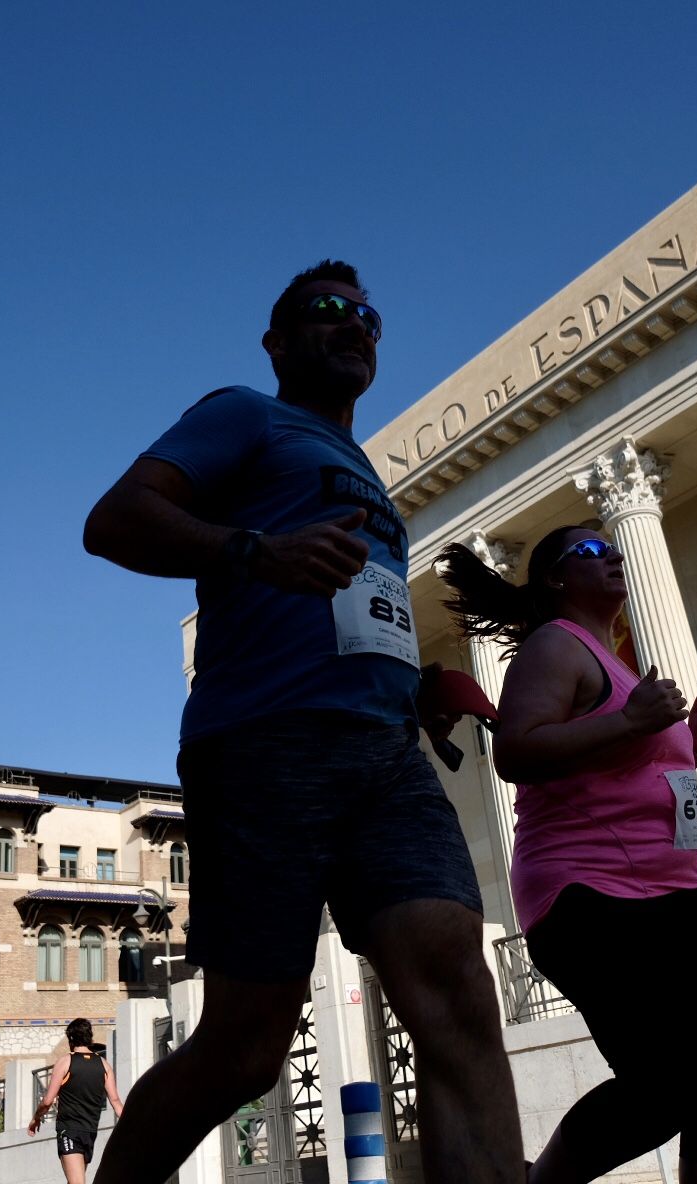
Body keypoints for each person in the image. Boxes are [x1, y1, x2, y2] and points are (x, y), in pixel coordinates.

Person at [82, 259, 523, 1182]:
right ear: (279, 341)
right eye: (329, 311)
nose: (355, 325)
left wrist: (422, 679)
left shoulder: (363, 474)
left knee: (458, 997)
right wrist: (253, 550)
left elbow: (356, 608)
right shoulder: (246, 414)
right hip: (264, 742)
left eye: (369, 316)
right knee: (247, 1050)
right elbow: (116, 520)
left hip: (390, 759)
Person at [438, 525, 697, 1184]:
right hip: (591, 892)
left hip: (674, 889)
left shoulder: (611, 659)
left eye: (611, 547)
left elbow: (624, 771)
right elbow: (517, 751)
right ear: (555, 578)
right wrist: (632, 722)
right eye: (590, 552)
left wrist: (692, 745)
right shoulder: (554, 647)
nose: (612, 556)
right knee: (666, 1077)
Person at [28, 1019, 124, 1183]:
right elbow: (115, 1102)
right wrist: (134, 1127)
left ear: (70, 1039)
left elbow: (47, 1101)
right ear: (90, 1038)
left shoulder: (66, 1061)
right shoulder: (104, 1065)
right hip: (90, 1133)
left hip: (69, 1131)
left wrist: (36, 1118)